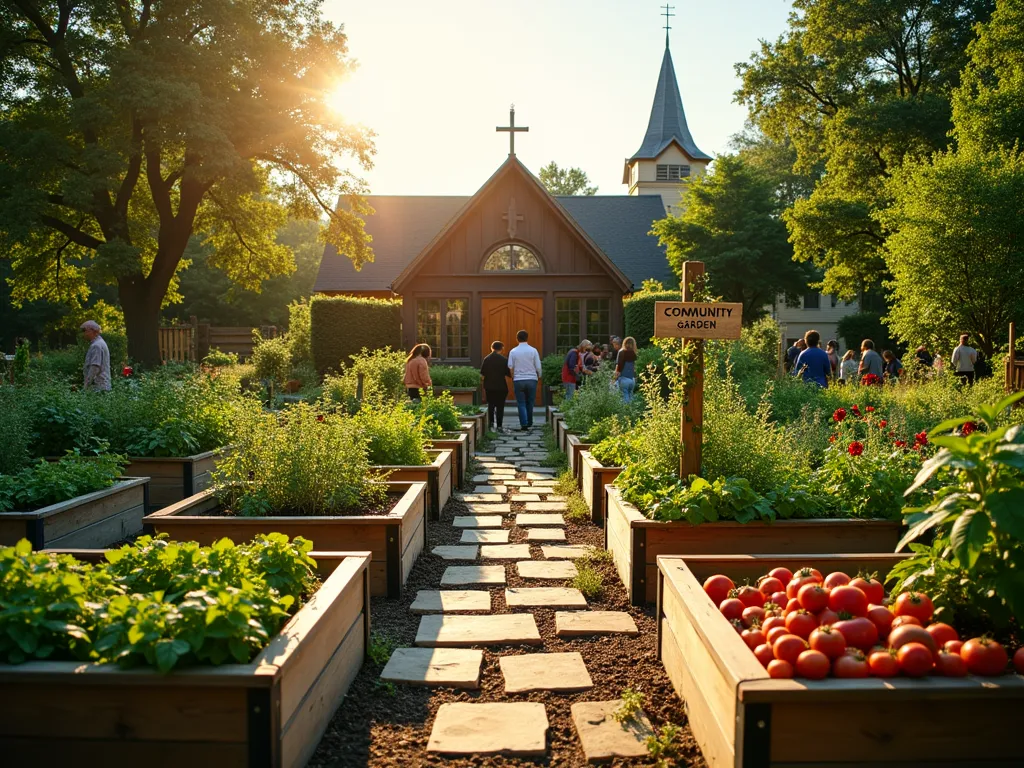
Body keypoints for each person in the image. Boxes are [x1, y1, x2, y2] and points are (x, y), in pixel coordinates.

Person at [507, 329, 542, 430]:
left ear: (517, 339)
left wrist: (513, 377)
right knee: (530, 402)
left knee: (521, 402)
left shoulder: (513, 351)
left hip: (519, 379)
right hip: (531, 379)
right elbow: (538, 366)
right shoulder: (533, 350)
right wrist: (539, 375)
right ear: (527, 338)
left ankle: (524, 423)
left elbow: (510, 366)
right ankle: (530, 421)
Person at [480, 341, 511, 432]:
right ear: (501, 349)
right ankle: (499, 425)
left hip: (489, 386)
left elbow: (482, 375)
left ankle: (491, 423)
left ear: (491, 348)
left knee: (491, 405)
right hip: (501, 386)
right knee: (500, 406)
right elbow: (509, 374)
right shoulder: (504, 360)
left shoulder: (487, 359)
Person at [80, 320, 111, 392]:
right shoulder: (100, 343)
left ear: (93, 331)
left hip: (98, 388)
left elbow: (95, 367)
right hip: (101, 387)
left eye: (85, 330)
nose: (84, 333)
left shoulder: (96, 345)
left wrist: (86, 385)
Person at [613, 336, 638, 403]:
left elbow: (619, 366)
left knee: (625, 398)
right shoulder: (634, 353)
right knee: (631, 396)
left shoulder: (621, 352)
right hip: (632, 379)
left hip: (623, 378)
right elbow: (634, 367)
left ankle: (626, 412)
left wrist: (614, 378)